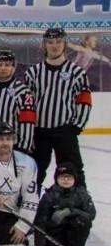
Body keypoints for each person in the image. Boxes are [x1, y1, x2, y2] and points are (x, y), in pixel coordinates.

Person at [25, 26, 91, 187]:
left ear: (64, 43)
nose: (54, 45)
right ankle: (29, 201)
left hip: (65, 130)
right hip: (39, 132)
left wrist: (76, 126)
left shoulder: (77, 72)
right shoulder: (33, 73)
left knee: (73, 169)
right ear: (44, 44)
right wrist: (29, 130)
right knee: (34, 171)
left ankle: (79, 200)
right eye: (50, 42)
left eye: (58, 41)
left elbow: (84, 101)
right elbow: (27, 104)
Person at [34, 161, 95, 246]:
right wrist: (40, 243)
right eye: (62, 177)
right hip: (55, 231)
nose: (66, 180)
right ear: (56, 178)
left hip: (74, 229)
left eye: (69, 177)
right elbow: (40, 220)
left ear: (75, 179)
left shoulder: (82, 194)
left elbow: (91, 214)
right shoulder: (49, 196)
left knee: (83, 221)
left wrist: (71, 211)